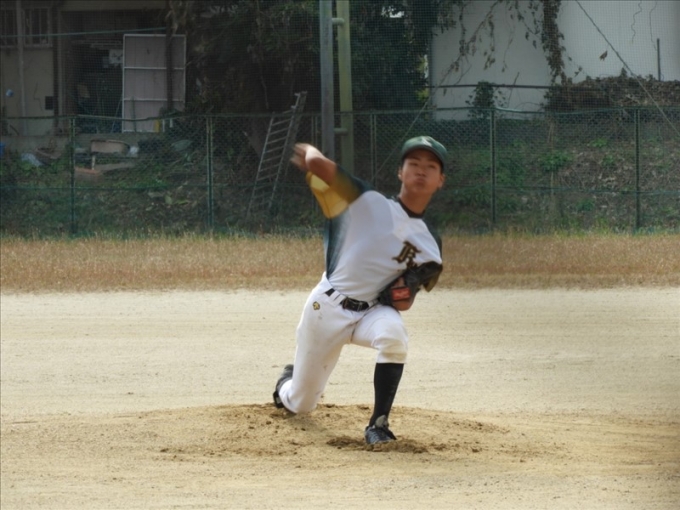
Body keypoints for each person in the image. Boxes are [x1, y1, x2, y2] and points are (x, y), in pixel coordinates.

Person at [273, 136, 447, 444]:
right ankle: (287, 382)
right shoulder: (370, 202)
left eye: (431, 166)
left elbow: (405, 301)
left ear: (440, 180)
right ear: (400, 172)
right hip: (327, 308)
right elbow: (319, 165)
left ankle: (378, 425)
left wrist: (403, 294)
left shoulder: (430, 245)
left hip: (371, 312)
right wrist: (310, 152)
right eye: (414, 163)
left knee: (394, 336)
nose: (421, 170)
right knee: (301, 404)